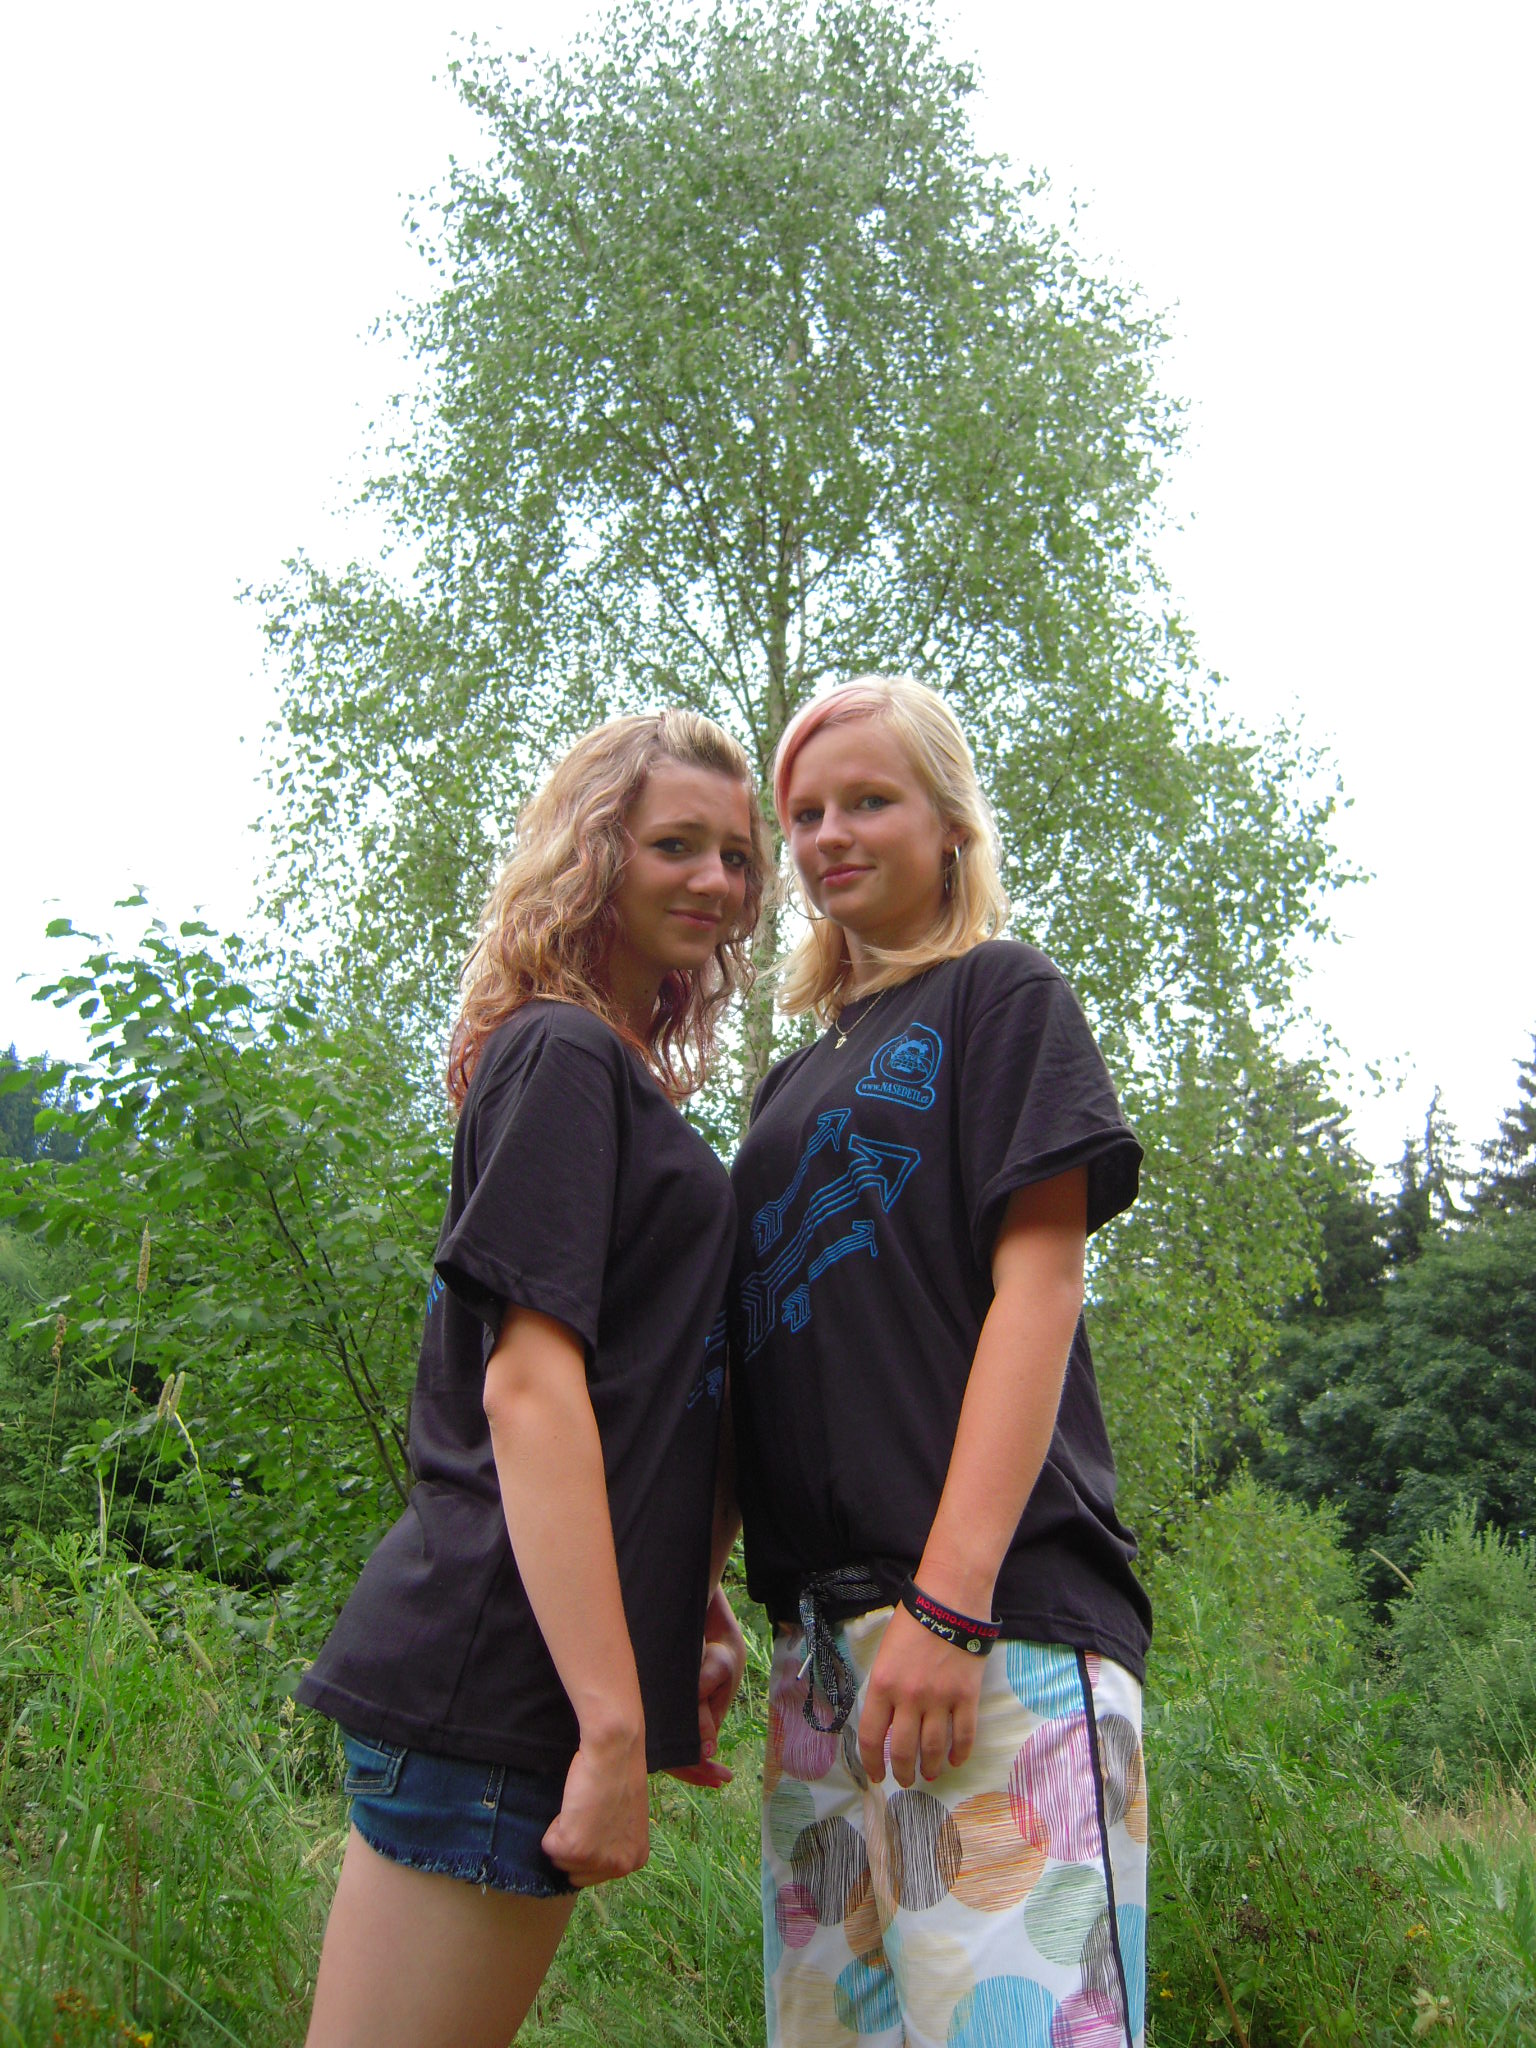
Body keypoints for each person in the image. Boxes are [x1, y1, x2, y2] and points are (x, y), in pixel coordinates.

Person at [297, 709, 769, 2048]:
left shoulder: (606, 1071)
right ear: (595, 855)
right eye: (675, 844)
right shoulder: (564, 1053)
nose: (716, 881)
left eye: (737, 857)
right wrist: (613, 1728)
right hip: (495, 1682)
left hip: (514, 1683)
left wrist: (685, 1596)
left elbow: (638, 1396)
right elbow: (527, 1393)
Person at [727, 676, 1151, 2048]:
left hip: (995, 1634)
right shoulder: (787, 1088)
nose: (830, 835)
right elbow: (760, 1358)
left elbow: (1042, 1287)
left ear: (951, 823)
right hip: (820, 1663)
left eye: (869, 800)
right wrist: (701, 1599)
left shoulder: (1001, 998)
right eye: (805, 814)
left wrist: (952, 1606)